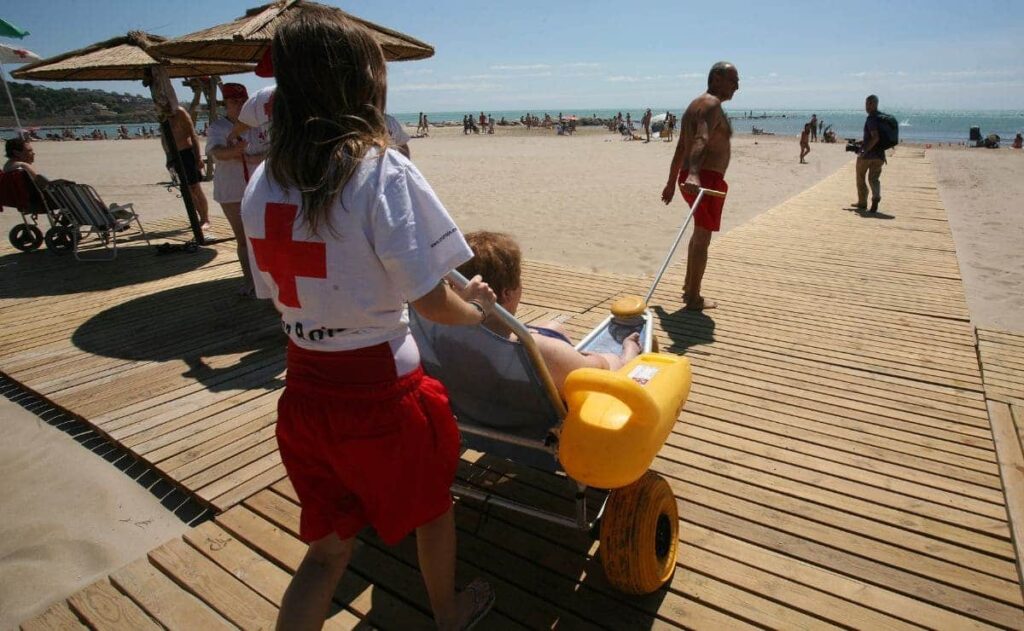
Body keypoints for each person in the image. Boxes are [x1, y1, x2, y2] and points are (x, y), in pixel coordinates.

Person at [239, 9, 496, 631]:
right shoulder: (379, 170)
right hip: (385, 396)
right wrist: (477, 312)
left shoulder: (262, 183)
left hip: (302, 392)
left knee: (327, 552)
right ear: (362, 83)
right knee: (431, 512)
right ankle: (448, 614)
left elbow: (276, 291)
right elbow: (432, 300)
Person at [458, 232, 641, 393]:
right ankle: (628, 351)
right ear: (507, 293)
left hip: (479, 411)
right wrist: (624, 355)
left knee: (553, 327)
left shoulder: (445, 336)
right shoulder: (534, 350)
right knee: (608, 360)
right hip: (533, 424)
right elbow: (601, 373)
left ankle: (565, 347)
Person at [660, 61, 739, 311]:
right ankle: (694, 297)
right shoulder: (711, 104)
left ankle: (689, 288)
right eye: (733, 79)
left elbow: (681, 146)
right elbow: (700, 138)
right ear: (716, 78)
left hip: (694, 176)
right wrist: (693, 174)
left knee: (699, 233)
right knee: (702, 237)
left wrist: (673, 182)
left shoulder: (694, 106)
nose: (737, 85)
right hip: (704, 179)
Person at [206, 83, 269, 297]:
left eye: (243, 101)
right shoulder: (218, 127)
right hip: (232, 190)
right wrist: (235, 151)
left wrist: (255, 157)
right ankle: (250, 281)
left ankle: (269, 281)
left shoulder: (259, 125)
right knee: (243, 238)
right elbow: (216, 153)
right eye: (234, 102)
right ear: (226, 104)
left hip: (260, 189)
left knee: (264, 236)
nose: (240, 105)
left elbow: (274, 150)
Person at [159, 96, 211, 230]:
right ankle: (196, 217)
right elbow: (164, 138)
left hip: (187, 153)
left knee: (195, 187)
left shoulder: (180, 112)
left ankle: (205, 219)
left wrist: (198, 157)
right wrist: (168, 158)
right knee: (186, 190)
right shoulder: (162, 116)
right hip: (174, 156)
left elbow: (193, 135)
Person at [855, 94, 885, 213]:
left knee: (860, 177)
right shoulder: (882, 118)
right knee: (874, 179)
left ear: (874, 104)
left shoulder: (871, 118)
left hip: (868, 156)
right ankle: (876, 196)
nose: (866, 106)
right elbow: (878, 137)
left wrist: (864, 150)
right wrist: (863, 141)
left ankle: (862, 202)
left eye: (868, 103)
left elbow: (875, 137)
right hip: (880, 155)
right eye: (866, 103)